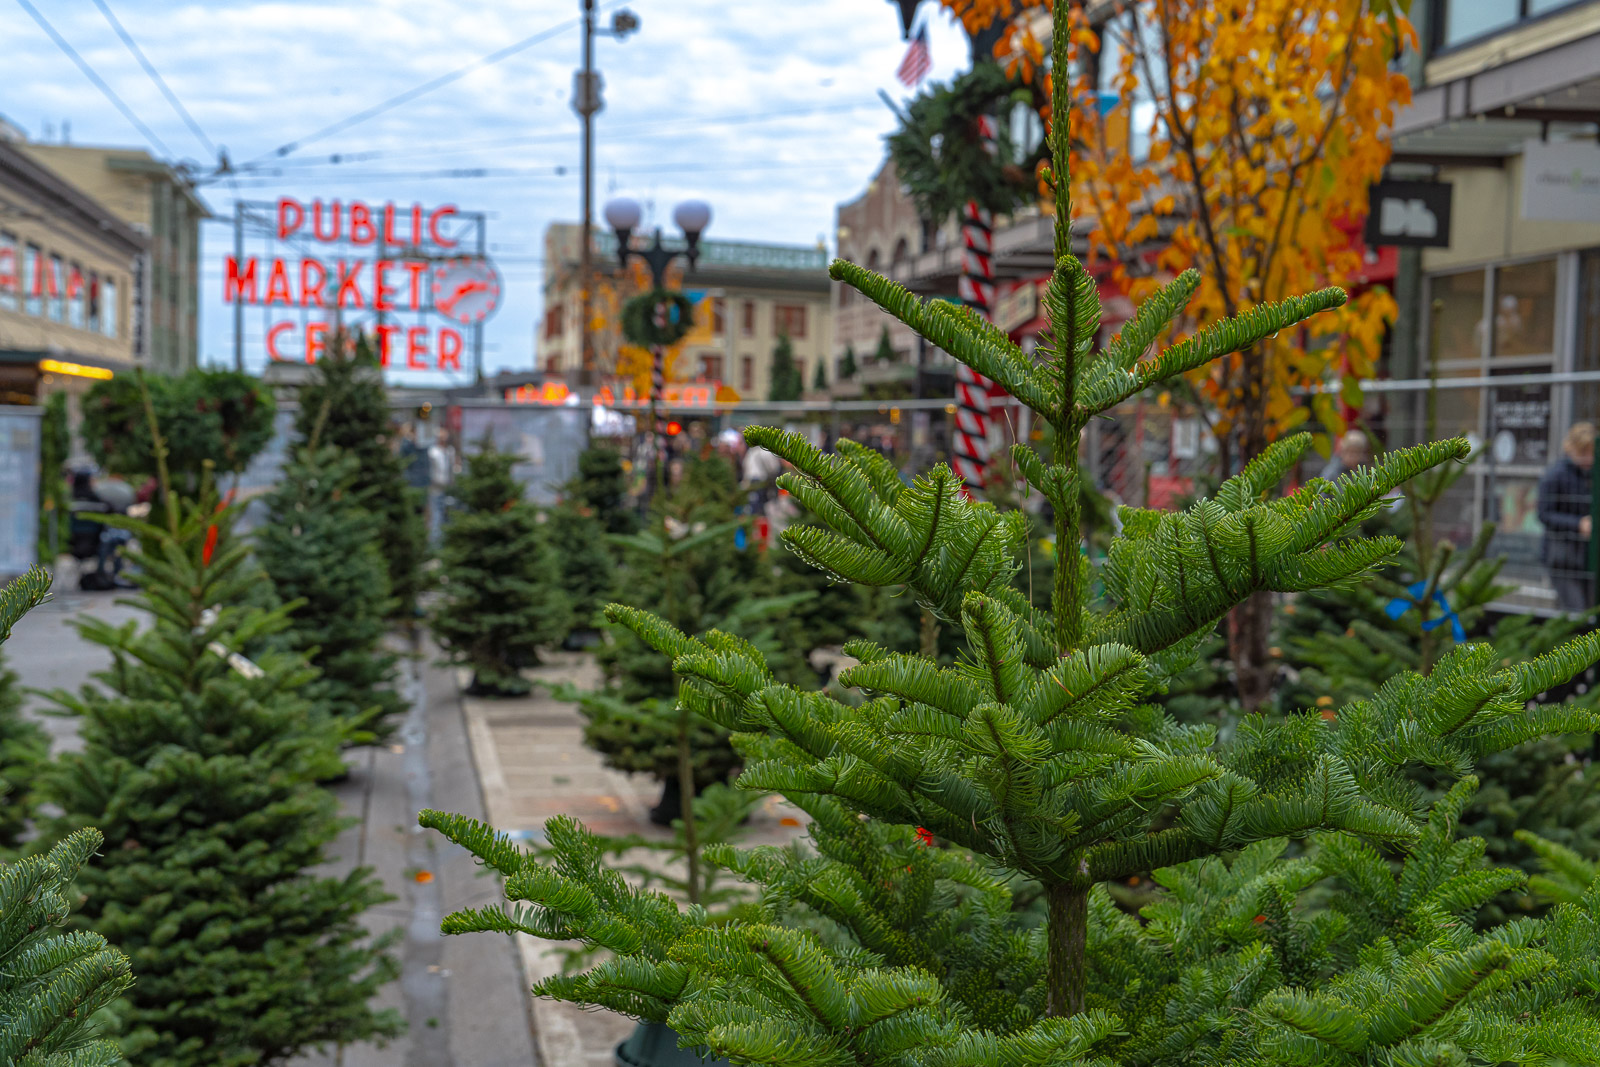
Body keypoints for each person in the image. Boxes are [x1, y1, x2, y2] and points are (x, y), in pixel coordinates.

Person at [1538, 422, 1595, 614]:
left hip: (1588, 557)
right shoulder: (1555, 475)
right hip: (1562, 556)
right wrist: (1578, 524)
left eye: (1591, 453)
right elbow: (1544, 514)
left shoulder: (1591, 474)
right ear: (1571, 448)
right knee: (1576, 612)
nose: (1589, 458)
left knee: (1590, 611)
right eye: (1583, 452)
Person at [427, 428, 457, 543]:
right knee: (436, 516)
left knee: (448, 515)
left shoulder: (450, 451)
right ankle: (435, 543)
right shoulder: (433, 452)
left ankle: (448, 541)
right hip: (436, 488)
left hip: (449, 488)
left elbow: (452, 469)